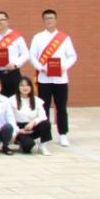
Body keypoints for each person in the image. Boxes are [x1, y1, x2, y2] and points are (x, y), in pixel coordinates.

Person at [29, 9, 77, 147]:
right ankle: (44, 135)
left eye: (51, 18)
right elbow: (32, 56)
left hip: (61, 79)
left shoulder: (64, 38)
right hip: (44, 79)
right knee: (43, 108)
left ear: (56, 20)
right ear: (43, 20)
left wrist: (64, 67)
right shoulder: (38, 37)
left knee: (61, 107)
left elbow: (73, 56)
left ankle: (63, 134)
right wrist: (41, 68)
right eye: (46, 18)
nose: (49, 20)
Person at [0, 12, 28, 98]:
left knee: (15, 99)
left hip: (12, 73)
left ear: (7, 22)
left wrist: (15, 64)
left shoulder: (17, 37)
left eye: (1, 20)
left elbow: (25, 54)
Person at [12, 76, 52, 156]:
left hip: (31, 126)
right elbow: (9, 119)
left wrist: (33, 123)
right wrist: (18, 130)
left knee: (46, 123)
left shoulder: (36, 100)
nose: (25, 88)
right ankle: (21, 143)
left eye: (27, 85)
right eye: (22, 85)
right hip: (19, 128)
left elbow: (43, 116)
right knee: (28, 147)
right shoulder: (12, 100)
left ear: (31, 87)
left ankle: (43, 146)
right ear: (18, 87)